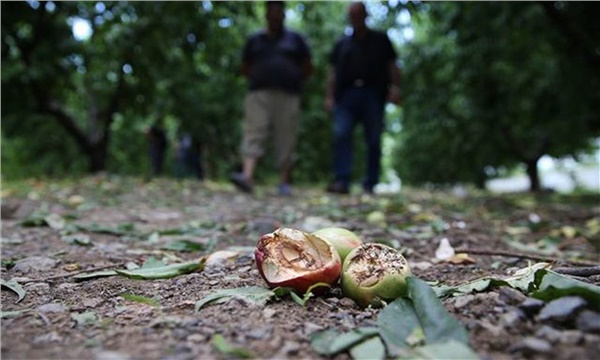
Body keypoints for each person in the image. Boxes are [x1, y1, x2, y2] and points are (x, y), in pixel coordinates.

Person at [230, 0, 312, 196]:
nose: (275, 16)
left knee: (286, 136)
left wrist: (292, 78)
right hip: (259, 93)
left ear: (283, 14)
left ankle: (284, 182)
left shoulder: (296, 39)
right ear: (266, 15)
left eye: (278, 12)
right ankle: (247, 176)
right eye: (271, 12)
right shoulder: (255, 40)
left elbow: (308, 66)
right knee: (253, 131)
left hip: (288, 94)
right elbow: (244, 66)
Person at [324, 2, 402, 194]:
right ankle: (341, 180)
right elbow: (333, 72)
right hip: (346, 95)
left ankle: (370, 183)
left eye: (359, 14)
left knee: (374, 138)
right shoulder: (342, 43)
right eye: (352, 15)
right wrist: (329, 95)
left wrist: (395, 87)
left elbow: (393, 65)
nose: (356, 18)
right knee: (341, 134)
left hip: (373, 94)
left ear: (365, 15)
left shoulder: (381, 40)